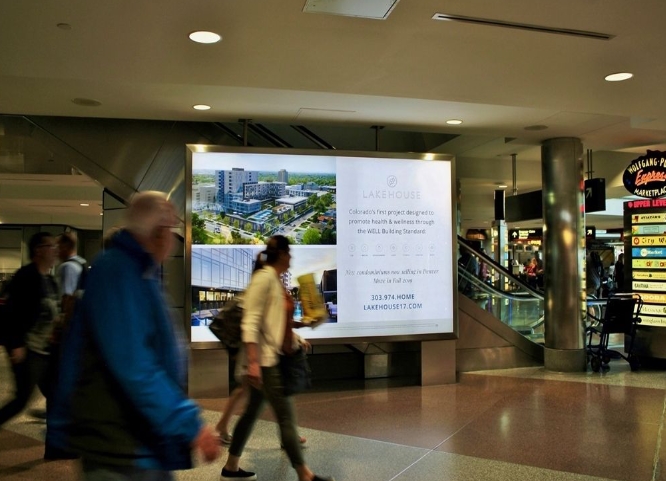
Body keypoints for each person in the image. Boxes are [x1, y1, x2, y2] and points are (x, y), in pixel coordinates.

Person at [48, 191, 219, 480]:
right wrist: (188, 422)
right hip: (120, 441)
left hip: (138, 437)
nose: (173, 238)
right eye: (171, 228)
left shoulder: (138, 270)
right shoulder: (118, 271)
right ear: (158, 232)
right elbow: (134, 364)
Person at [220, 235, 333, 481]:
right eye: (289, 252)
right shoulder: (264, 280)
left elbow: (274, 320)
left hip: (270, 358)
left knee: (251, 413)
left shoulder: (274, 280)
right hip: (263, 361)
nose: (292, 256)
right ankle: (305, 475)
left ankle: (230, 468)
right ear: (281, 254)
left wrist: (301, 326)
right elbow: (250, 323)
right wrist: (252, 363)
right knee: (285, 415)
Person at [0, 232, 59, 430]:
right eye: (51, 246)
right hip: (27, 349)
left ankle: (56, 446)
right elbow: (11, 313)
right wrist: (16, 344)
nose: (55, 251)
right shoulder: (26, 277)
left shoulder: (49, 282)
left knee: (56, 395)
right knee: (21, 400)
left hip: (43, 351)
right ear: (38, 250)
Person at [56, 232, 87, 297]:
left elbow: (66, 294)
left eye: (58, 247)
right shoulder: (82, 262)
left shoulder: (67, 267)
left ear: (65, 247)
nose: (56, 251)